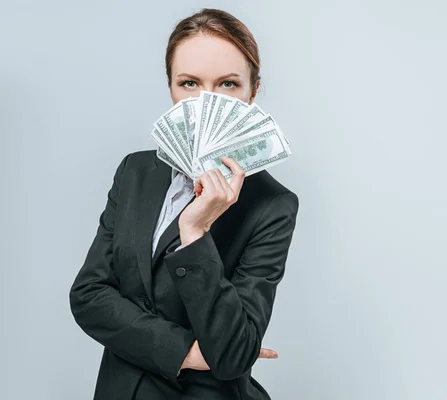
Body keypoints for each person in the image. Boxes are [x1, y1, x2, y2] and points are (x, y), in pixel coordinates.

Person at [69, 8, 299, 400]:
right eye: (189, 83)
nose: (204, 102)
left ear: (252, 92)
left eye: (227, 84)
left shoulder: (271, 206)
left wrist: (195, 233)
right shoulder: (135, 171)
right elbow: (89, 295)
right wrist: (186, 351)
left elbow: (231, 354)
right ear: (171, 87)